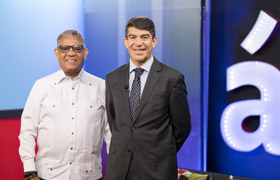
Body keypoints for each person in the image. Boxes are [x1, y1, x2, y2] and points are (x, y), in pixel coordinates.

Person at [105, 17, 191, 180]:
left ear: (154, 41)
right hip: (119, 169)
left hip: (157, 169)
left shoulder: (172, 78)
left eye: (144, 37)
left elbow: (182, 127)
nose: (138, 43)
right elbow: (114, 121)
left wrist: (159, 150)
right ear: (126, 41)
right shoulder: (112, 78)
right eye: (133, 37)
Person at [19, 30, 111, 180]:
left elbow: (111, 133)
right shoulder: (41, 86)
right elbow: (27, 130)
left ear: (85, 53)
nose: (71, 53)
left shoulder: (102, 86)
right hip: (48, 175)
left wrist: (116, 171)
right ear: (57, 52)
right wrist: (30, 171)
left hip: (89, 176)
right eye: (65, 48)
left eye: (77, 48)